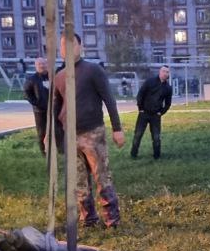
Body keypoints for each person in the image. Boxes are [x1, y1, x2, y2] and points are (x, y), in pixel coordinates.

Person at [52, 33, 125, 229]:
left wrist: (117, 129)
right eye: (63, 45)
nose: (67, 48)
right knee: (78, 181)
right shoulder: (59, 76)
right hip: (70, 137)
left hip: (93, 134)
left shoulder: (93, 70)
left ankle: (112, 220)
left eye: (71, 44)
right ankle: (89, 219)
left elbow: (109, 100)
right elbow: (55, 108)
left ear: (80, 46)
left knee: (102, 176)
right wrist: (48, 134)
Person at [131, 66, 173, 160]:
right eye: (164, 71)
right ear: (160, 72)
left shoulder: (168, 88)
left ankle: (157, 156)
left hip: (155, 115)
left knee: (156, 137)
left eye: (167, 72)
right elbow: (140, 94)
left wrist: (161, 112)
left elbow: (168, 103)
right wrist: (140, 108)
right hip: (144, 113)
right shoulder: (150, 82)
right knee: (138, 134)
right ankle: (133, 154)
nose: (165, 73)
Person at [23, 57, 51, 154]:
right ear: (36, 66)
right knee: (42, 131)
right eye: (40, 64)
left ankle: (56, 149)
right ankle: (43, 151)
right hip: (40, 111)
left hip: (54, 109)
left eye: (44, 64)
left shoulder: (53, 77)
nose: (42, 66)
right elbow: (26, 93)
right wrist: (36, 103)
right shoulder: (32, 79)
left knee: (56, 130)